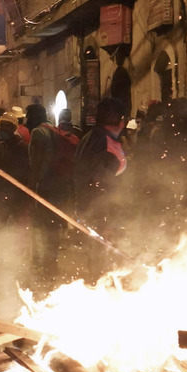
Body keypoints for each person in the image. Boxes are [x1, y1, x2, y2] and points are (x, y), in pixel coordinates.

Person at [74, 98, 129, 275]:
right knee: (102, 254)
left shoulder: (93, 137)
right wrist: (106, 214)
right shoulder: (103, 143)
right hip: (101, 210)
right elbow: (99, 181)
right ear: (120, 121)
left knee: (98, 252)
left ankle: (99, 278)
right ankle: (102, 282)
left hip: (94, 208)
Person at [27, 103, 78, 275]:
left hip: (46, 185)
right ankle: (51, 260)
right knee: (54, 226)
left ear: (34, 116)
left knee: (45, 226)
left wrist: (32, 185)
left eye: (28, 115)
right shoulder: (53, 130)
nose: (26, 119)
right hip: (61, 184)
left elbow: (36, 161)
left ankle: (49, 264)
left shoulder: (37, 132)